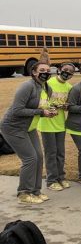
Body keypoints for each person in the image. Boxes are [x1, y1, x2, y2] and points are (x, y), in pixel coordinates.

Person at [1, 62, 55, 204]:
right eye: (42, 70)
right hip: (13, 127)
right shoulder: (27, 86)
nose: (46, 72)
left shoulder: (47, 88)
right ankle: (24, 193)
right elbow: (17, 110)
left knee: (39, 156)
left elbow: (41, 106)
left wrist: (50, 110)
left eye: (48, 70)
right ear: (34, 72)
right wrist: (41, 112)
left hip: (29, 127)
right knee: (30, 158)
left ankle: (35, 191)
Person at [37, 62, 74, 191]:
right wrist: (50, 107)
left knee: (60, 153)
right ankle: (51, 180)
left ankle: (61, 177)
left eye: (70, 72)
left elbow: (69, 104)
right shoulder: (49, 83)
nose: (67, 73)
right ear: (59, 70)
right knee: (51, 153)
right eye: (65, 70)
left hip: (60, 124)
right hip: (47, 124)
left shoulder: (69, 87)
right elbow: (41, 101)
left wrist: (66, 106)